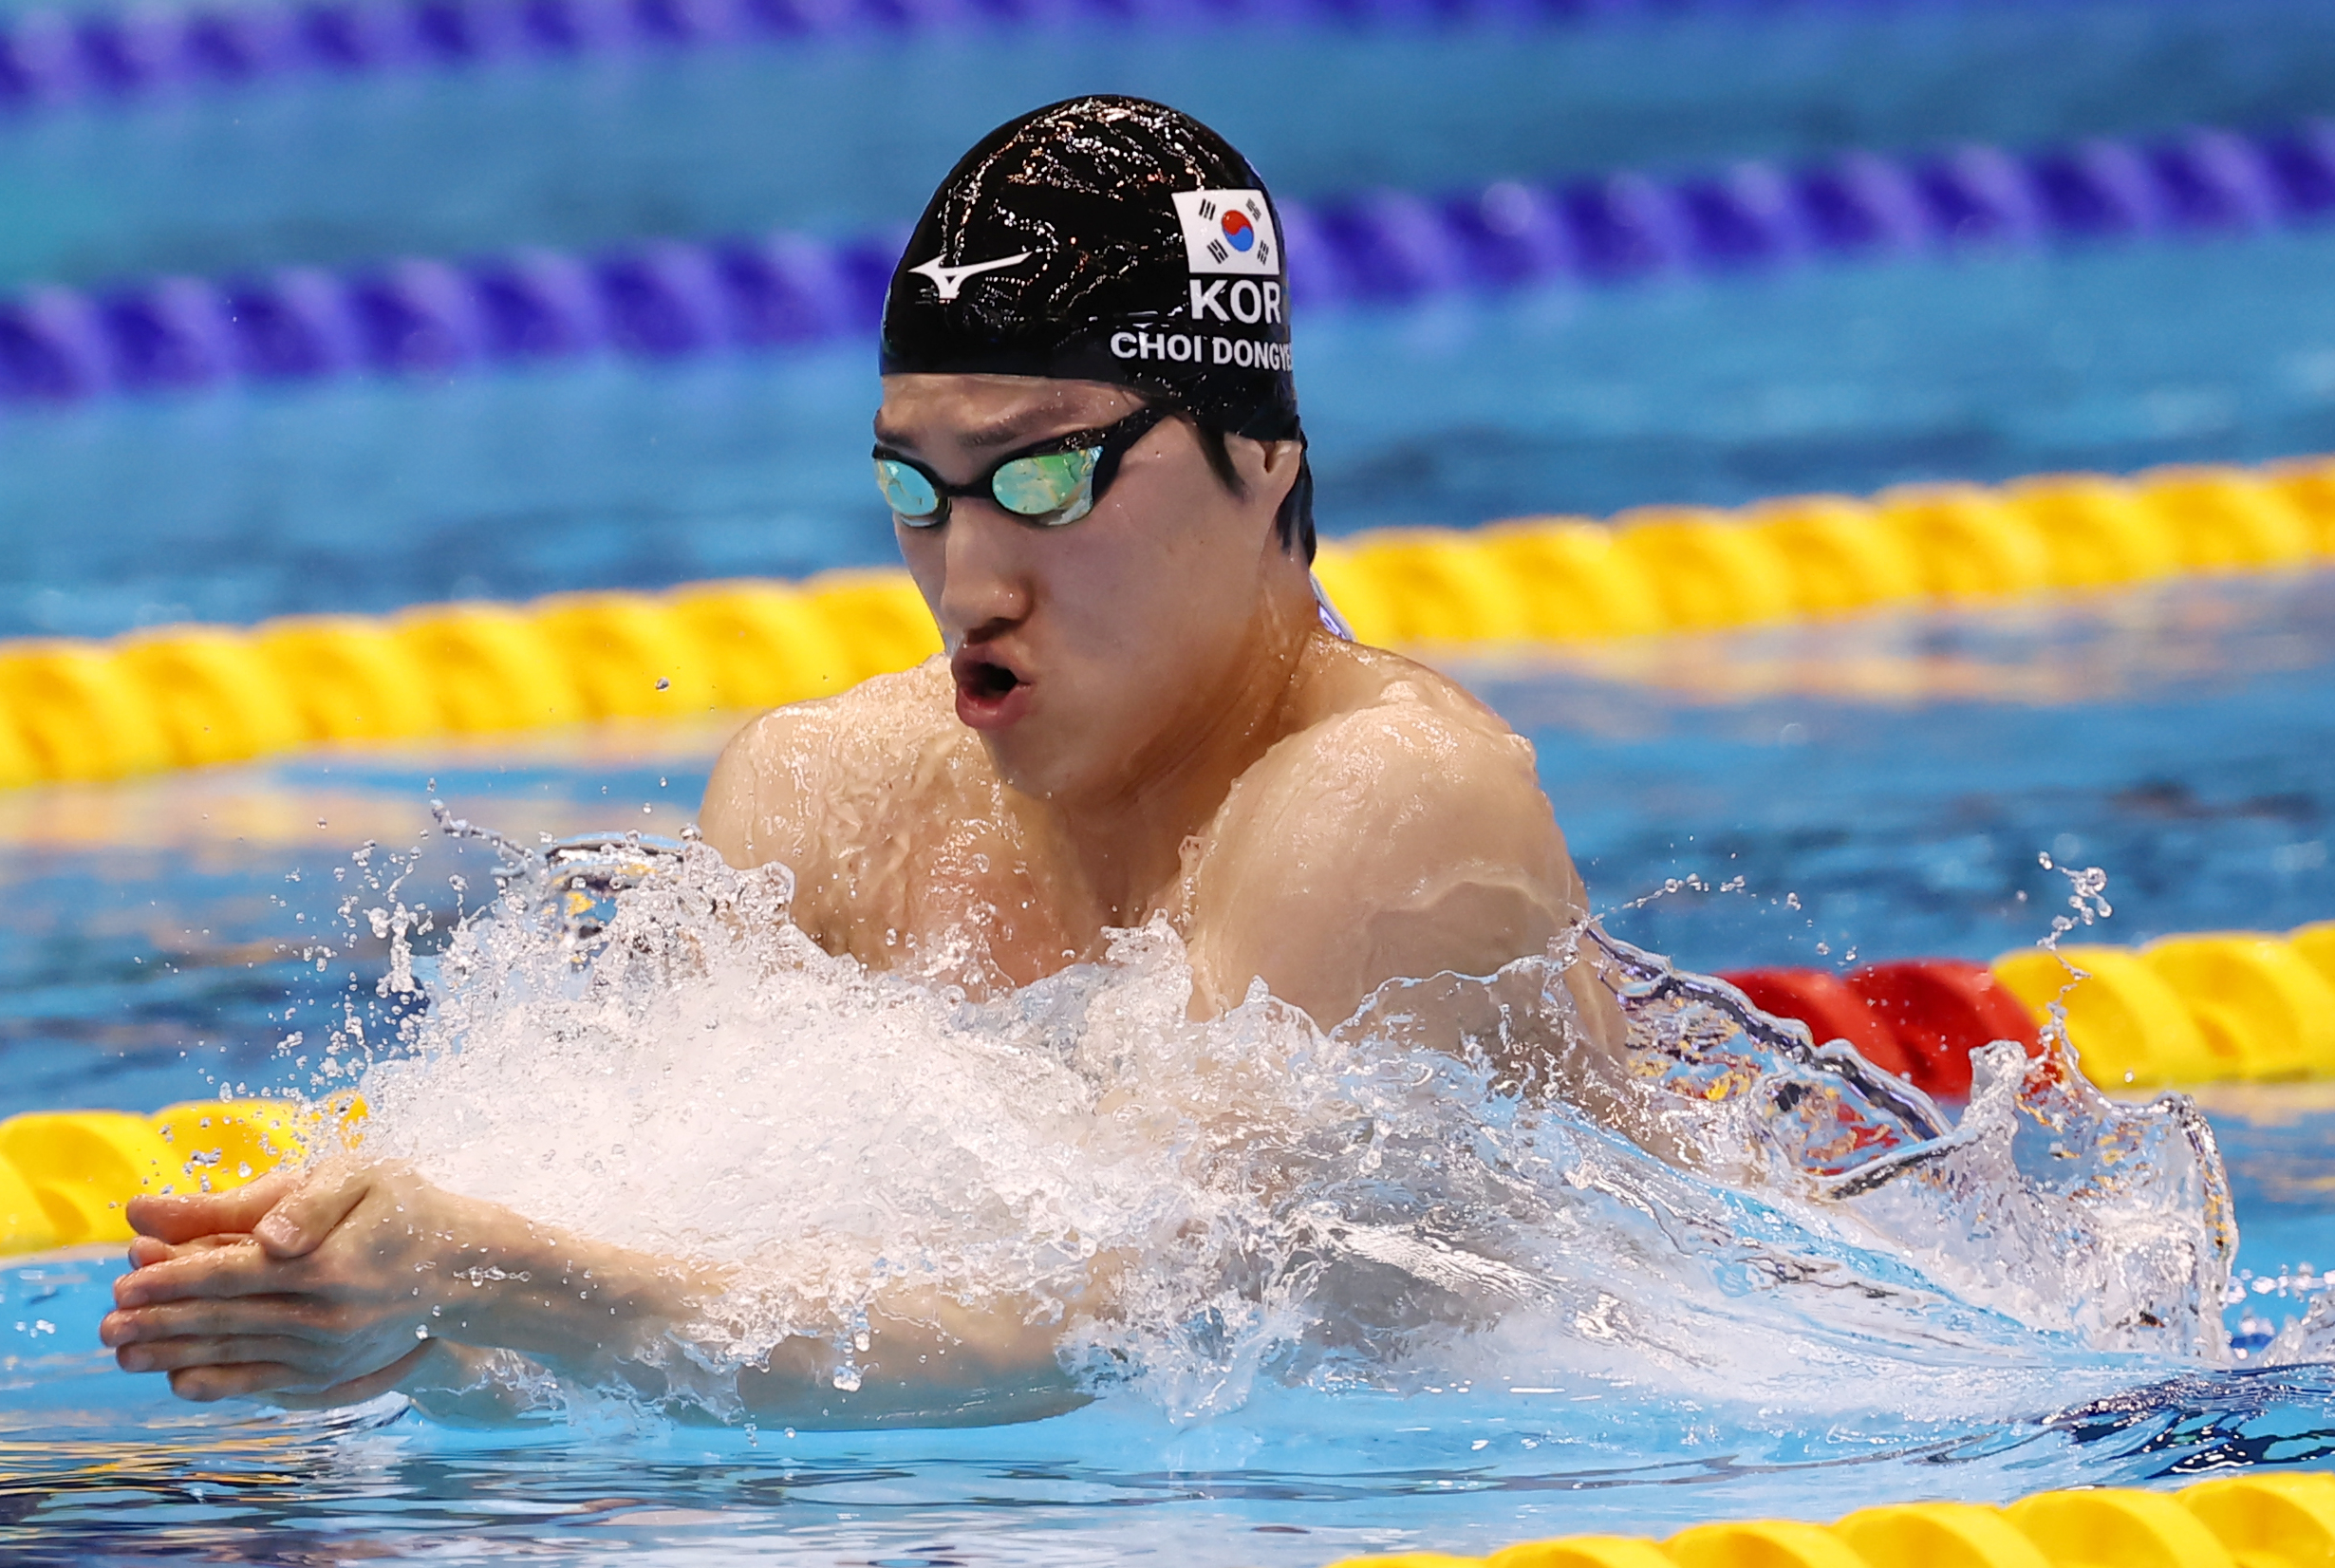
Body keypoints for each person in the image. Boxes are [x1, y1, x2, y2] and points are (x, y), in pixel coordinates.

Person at [99, 96, 1614, 1423]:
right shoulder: (831, 801)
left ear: (1260, 459)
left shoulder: (1378, 806)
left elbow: (1124, 1328)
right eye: (918, 488)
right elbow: (684, 1297)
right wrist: (390, 1313)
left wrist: (508, 1277)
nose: (971, 579)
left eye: (1046, 477)